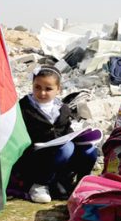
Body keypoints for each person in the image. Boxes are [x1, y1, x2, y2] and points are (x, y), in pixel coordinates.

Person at [13, 66, 98, 203]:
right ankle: (40, 184)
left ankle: (81, 184)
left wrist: (82, 138)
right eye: (37, 87)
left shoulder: (62, 109)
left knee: (90, 150)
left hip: (60, 157)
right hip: (36, 158)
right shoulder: (24, 107)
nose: (42, 93)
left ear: (58, 89)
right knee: (67, 148)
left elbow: (66, 130)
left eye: (48, 89)